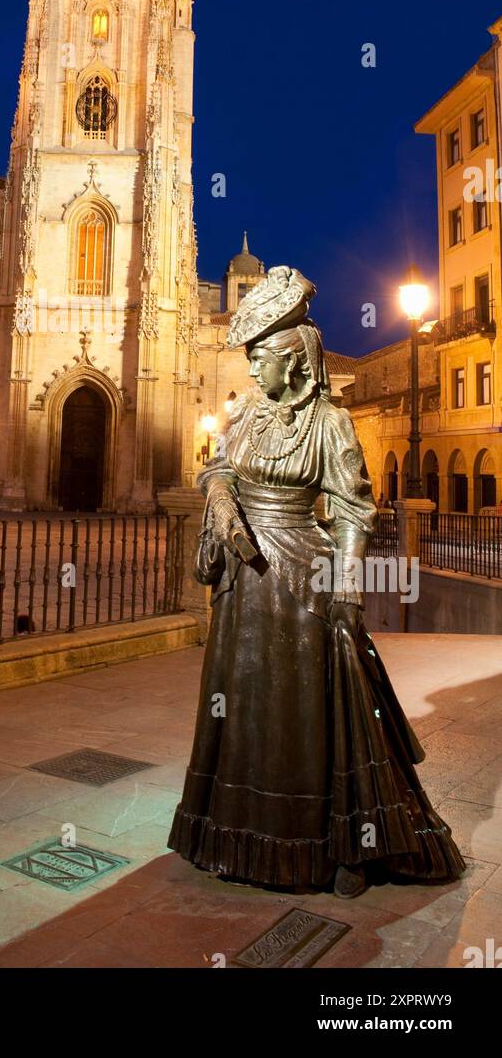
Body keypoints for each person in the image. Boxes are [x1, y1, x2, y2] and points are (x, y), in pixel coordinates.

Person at [169, 265, 464, 898]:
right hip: (243, 584)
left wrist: (349, 588)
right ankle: (231, 832)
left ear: (296, 361)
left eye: (262, 357)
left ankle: (334, 846)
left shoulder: (330, 422)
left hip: (302, 577)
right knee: (242, 705)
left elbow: (355, 509)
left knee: (303, 714)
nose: (251, 371)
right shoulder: (246, 415)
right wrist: (219, 498)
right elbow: (215, 467)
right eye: (249, 357)